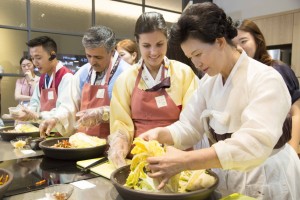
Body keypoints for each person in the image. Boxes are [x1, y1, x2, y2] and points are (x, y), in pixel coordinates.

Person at [139, 3, 300, 199]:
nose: (196, 63)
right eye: (191, 57)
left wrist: (186, 160)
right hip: (227, 174)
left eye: (198, 54)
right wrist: (161, 134)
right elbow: (190, 125)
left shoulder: (266, 79)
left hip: (266, 175)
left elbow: (253, 144)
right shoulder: (209, 82)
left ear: (220, 41)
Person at [108, 12, 199, 168]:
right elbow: (120, 122)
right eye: (146, 46)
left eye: (159, 44)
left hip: (176, 159)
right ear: (137, 42)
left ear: (167, 40)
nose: (154, 52)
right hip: (138, 159)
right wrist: (120, 141)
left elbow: (192, 121)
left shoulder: (184, 74)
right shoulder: (126, 78)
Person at [39, 26, 130, 138]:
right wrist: (55, 118)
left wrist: (104, 113)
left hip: (112, 144)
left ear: (111, 52)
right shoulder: (84, 72)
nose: (92, 62)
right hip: (83, 142)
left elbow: (129, 113)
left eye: (98, 57)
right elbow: (70, 104)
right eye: (88, 56)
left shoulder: (126, 73)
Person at [232, 19, 300, 153]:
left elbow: (296, 112)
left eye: (243, 41)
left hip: (280, 149)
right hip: (252, 151)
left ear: (257, 40)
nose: (239, 48)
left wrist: (292, 150)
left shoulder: (277, 69)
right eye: (233, 44)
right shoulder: (237, 75)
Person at [11, 36, 73, 136]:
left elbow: (65, 110)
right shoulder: (42, 79)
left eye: (38, 58)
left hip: (62, 136)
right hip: (45, 132)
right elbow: (35, 102)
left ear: (52, 55)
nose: (35, 63)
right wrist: (28, 113)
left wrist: (38, 116)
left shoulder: (66, 77)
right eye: (32, 58)